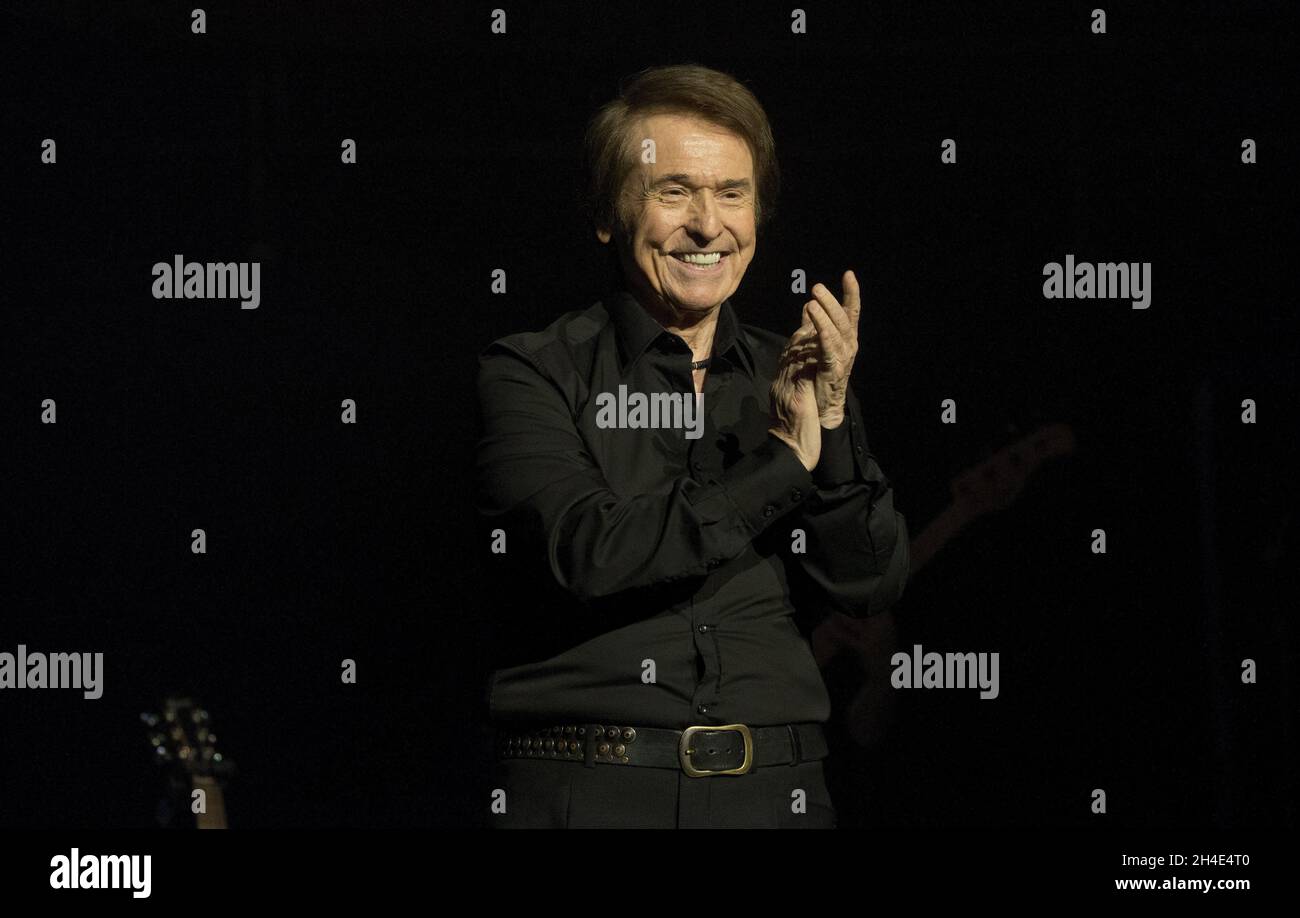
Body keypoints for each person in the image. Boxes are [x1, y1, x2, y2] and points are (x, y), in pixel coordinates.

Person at [475, 63, 908, 828]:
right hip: (594, 789)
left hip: (777, 793)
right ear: (609, 213)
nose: (709, 226)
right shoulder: (532, 371)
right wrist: (781, 462)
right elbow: (587, 550)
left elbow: (869, 586)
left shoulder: (799, 370)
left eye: (732, 194)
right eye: (674, 191)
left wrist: (833, 426)